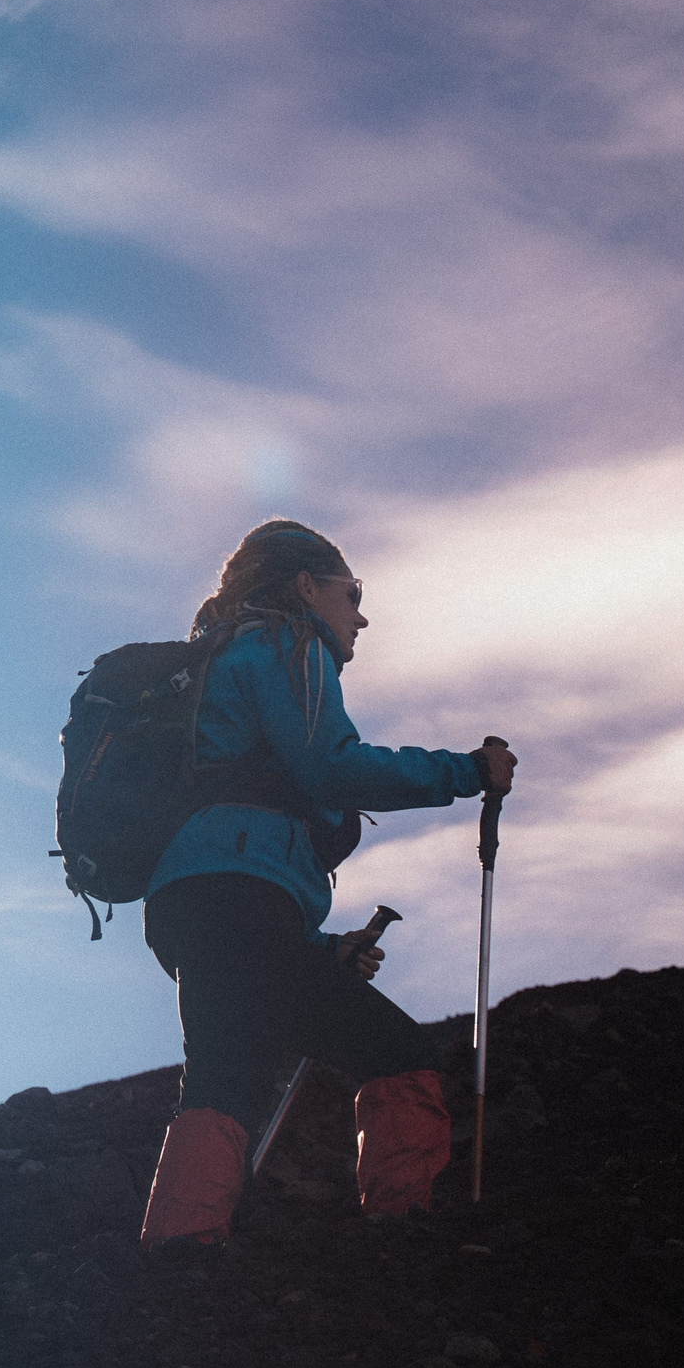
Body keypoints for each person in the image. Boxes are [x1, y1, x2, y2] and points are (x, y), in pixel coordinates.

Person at [139, 520, 518, 1244]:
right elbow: (332, 767)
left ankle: (177, 1255)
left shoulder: (222, 659)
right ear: (306, 586)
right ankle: (405, 1230)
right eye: (354, 593)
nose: (361, 613)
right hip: (242, 894)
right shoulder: (287, 643)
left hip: (188, 895)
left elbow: (247, 828)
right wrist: (464, 771)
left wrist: (316, 950)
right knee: (398, 1052)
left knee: (223, 1076)